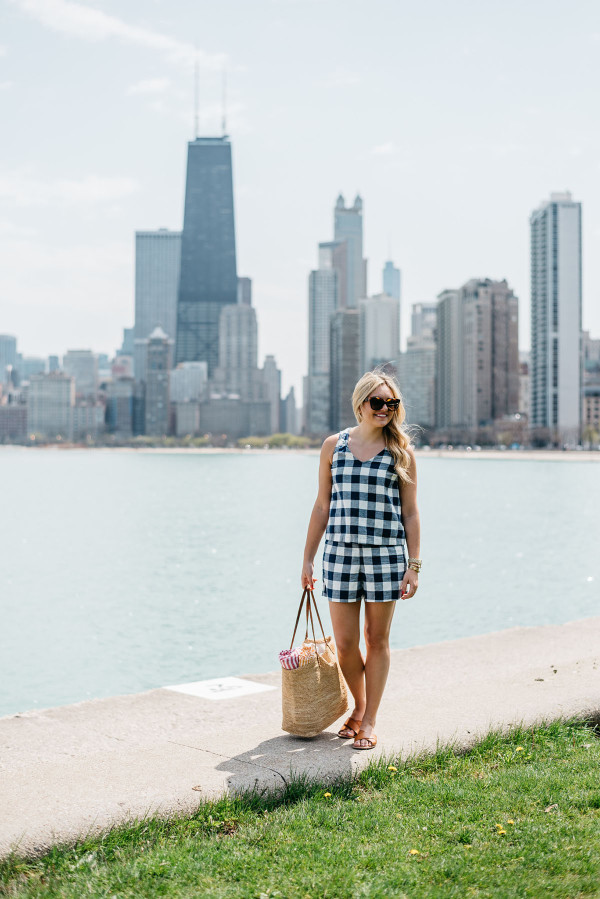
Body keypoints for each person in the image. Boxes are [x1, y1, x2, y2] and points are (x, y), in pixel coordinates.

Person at [301, 370, 421, 750]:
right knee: (347, 643)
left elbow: (411, 514)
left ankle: (368, 719)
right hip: (338, 555)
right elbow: (322, 506)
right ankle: (360, 704)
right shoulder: (332, 446)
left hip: (386, 556)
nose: (385, 409)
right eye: (378, 402)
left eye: (392, 403)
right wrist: (307, 559)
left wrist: (414, 566)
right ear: (361, 403)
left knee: (377, 639)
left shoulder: (401, 452)